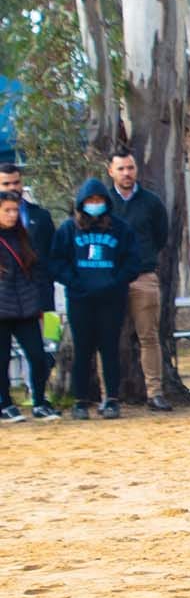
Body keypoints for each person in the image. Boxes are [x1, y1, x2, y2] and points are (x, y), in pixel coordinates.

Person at [51, 179, 138, 419]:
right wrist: (75, 283)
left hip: (111, 299)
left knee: (110, 349)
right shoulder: (69, 229)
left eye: (99, 201)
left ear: (106, 203)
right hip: (80, 299)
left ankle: (111, 399)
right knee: (83, 350)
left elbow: (132, 262)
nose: (95, 205)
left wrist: (115, 282)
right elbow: (56, 262)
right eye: (90, 201)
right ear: (81, 203)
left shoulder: (120, 229)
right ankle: (80, 401)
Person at [105, 147, 171, 411]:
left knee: (149, 337)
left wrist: (143, 259)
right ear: (111, 171)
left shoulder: (151, 202)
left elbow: (161, 236)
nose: (126, 173)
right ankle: (109, 396)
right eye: (120, 168)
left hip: (144, 277)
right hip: (110, 279)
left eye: (130, 168)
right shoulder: (103, 203)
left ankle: (155, 393)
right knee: (108, 337)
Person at [0, 191, 57, 420]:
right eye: (7, 210)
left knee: (36, 355)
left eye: (15, 210)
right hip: (2, 309)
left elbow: (37, 269)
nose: (12, 215)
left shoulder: (24, 237)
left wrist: (40, 302)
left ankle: (40, 401)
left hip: (26, 307)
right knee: (2, 359)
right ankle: (5, 403)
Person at [0, 162, 55, 332]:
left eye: (16, 182)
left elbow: (53, 252)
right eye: (6, 184)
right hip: (6, 302)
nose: (12, 188)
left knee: (52, 341)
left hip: (44, 295)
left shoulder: (41, 215)